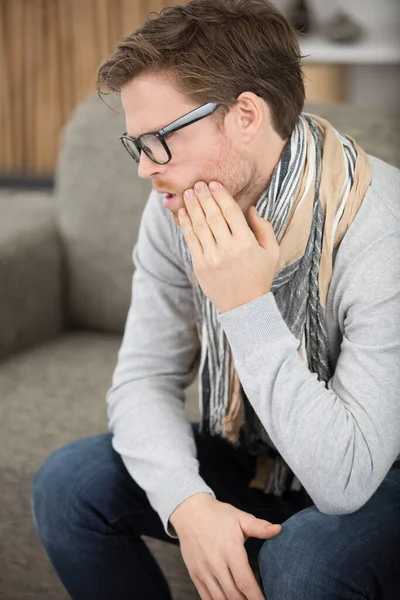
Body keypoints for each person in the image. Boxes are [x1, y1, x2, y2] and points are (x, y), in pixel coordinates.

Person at [31, 0, 400, 598]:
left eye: (158, 140)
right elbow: (142, 380)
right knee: (68, 483)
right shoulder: (175, 207)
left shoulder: (380, 227)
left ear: (246, 114)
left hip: (374, 468)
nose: (145, 170)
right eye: (137, 146)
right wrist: (189, 504)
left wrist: (244, 305)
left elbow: (346, 481)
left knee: (308, 558)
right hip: (253, 451)